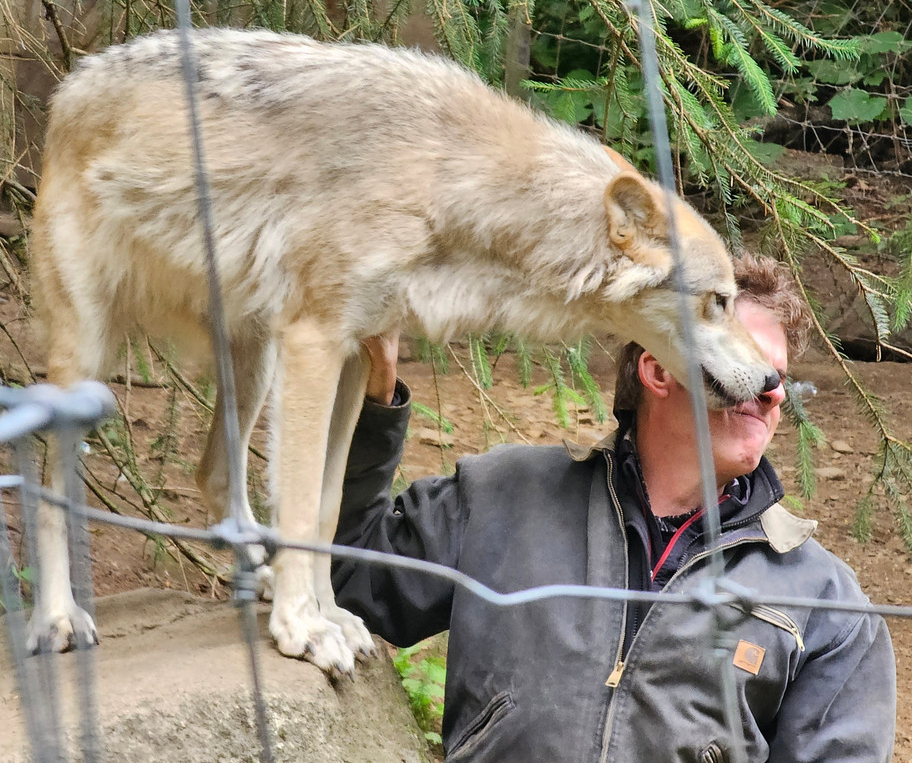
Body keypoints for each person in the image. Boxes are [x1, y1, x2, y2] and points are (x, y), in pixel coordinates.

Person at [331, 253, 896, 762]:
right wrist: (373, 393)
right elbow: (348, 573)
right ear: (656, 370)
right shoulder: (501, 493)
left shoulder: (827, 604)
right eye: (749, 364)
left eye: (782, 379)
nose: (773, 392)